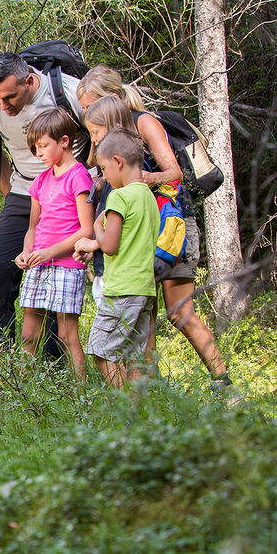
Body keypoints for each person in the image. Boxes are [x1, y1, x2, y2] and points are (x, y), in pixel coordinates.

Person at [76, 67, 231, 385]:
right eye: (86, 110)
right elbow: (94, 166)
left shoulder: (143, 122)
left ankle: (223, 381)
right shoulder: (106, 139)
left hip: (171, 225)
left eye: (94, 106)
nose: (91, 114)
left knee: (179, 311)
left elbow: (173, 172)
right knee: (143, 314)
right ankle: (146, 392)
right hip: (138, 230)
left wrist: (144, 178)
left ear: (114, 98)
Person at [0, 52, 85, 354]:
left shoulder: (70, 93)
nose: (4, 105)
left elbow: (105, 134)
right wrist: (8, 189)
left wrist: (90, 183)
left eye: (10, 97)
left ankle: (53, 368)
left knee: (55, 278)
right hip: (25, 191)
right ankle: (0, 359)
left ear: (30, 81)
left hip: (70, 194)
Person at [73, 129, 159, 388]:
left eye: (104, 168)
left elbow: (109, 246)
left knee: (101, 352)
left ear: (118, 162)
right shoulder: (148, 196)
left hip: (121, 289)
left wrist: (97, 226)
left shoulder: (119, 197)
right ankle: (134, 417)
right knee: (134, 356)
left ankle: (123, 409)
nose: (104, 176)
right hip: (145, 289)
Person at [14, 107, 94, 378]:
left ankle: (80, 393)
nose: (39, 153)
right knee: (29, 333)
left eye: (43, 146)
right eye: (35, 148)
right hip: (38, 262)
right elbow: (32, 227)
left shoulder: (78, 176)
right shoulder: (40, 180)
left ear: (64, 141)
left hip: (67, 265)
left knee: (66, 334)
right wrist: (27, 252)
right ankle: (24, 389)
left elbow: (87, 229)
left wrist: (49, 251)